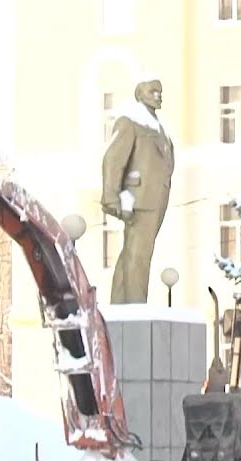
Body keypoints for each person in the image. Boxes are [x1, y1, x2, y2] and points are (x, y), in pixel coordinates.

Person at [101, 77, 175, 304]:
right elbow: (113, 159)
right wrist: (112, 197)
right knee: (138, 256)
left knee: (134, 254)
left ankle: (122, 302)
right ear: (139, 93)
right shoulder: (131, 121)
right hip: (139, 199)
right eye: (153, 91)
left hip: (156, 198)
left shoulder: (157, 126)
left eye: (160, 91)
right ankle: (135, 305)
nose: (158, 95)